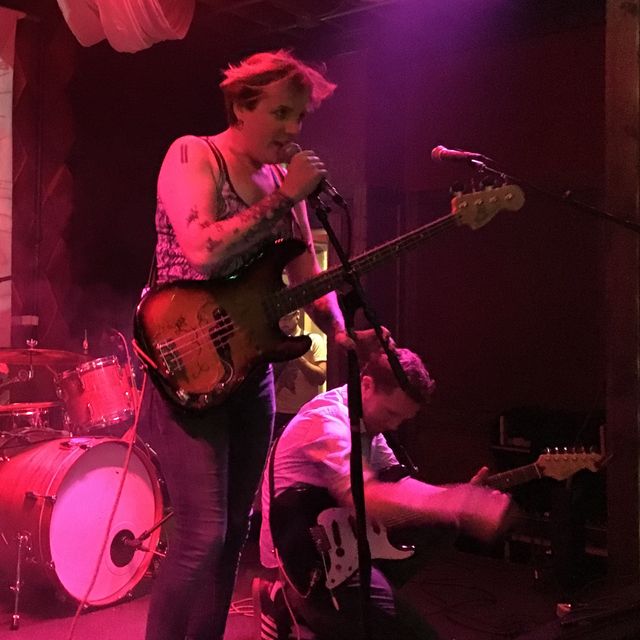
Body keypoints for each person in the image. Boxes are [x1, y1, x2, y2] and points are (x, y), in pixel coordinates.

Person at [139, 50, 353, 640]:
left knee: (234, 530)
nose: (292, 129)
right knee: (201, 533)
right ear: (240, 106)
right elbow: (204, 249)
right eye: (281, 113)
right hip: (183, 363)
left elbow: (307, 274)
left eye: (301, 117)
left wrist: (339, 327)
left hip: (250, 369)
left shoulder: (286, 186)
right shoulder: (192, 154)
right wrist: (285, 199)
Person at [255, 347, 512, 640]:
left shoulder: (366, 422)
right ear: (366, 385)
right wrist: (455, 501)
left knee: (442, 526)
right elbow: (364, 496)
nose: (393, 425)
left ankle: (342, 615)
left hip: (340, 550)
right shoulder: (327, 422)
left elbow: (399, 483)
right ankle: (293, 602)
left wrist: (458, 496)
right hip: (306, 564)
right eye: (391, 413)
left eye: (401, 419)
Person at [274, 309, 327, 433]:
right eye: (280, 319)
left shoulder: (313, 340)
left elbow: (321, 378)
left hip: (304, 412)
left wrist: (297, 356)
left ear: (297, 315)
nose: (283, 323)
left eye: (287, 318)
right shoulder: (273, 343)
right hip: (276, 412)